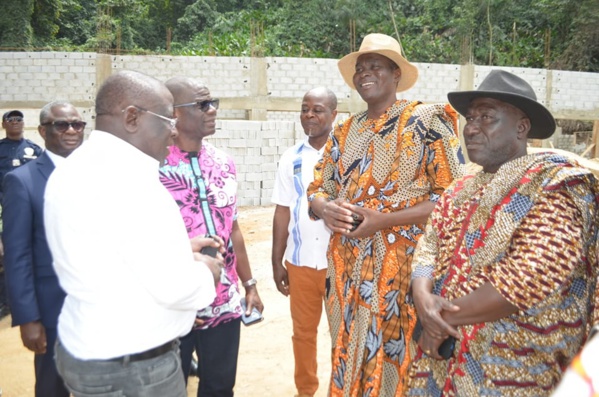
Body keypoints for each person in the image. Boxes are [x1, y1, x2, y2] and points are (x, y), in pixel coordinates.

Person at [407, 70, 599, 396]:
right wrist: (423, 298)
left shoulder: (557, 188)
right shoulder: (461, 185)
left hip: (513, 371)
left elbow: (526, 277)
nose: (471, 127)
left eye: (487, 117)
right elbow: (429, 246)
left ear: (521, 128)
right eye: (470, 118)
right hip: (444, 368)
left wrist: (436, 321)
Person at [44, 70, 221, 397]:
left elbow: (114, 253)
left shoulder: (78, 166)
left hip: (95, 353)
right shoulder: (128, 183)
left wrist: (178, 251)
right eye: (168, 119)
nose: (174, 129)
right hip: (135, 371)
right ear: (131, 117)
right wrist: (205, 271)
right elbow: (176, 288)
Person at [307, 33, 464, 396]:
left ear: (396, 74)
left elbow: (452, 199)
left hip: (403, 272)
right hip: (346, 272)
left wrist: (384, 221)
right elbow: (317, 188)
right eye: (359, 69)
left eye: (375, 66)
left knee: (402, 358)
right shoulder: (345, 131)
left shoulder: (427, 121)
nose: (364, 74)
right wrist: (325, 209)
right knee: (347, 351)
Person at [159, 76, 264, 397]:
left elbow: (232, 229)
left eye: (212, 103)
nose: (212, 110)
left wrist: (249, 285)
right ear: (174, 114)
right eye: (202, 105)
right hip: (171, 302)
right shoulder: (153, 168)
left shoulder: (223, 163)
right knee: (170, 388)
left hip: (223, 302)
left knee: (219, 387)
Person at [2, 101, 84, 397]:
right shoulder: (22, 181)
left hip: (97, 308)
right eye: (62, 124)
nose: (72, 130)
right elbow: (18, 255)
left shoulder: (97, 177)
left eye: (78, 124)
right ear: (42, 131)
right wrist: (27, 318)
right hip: (52, 313)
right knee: (53, 388)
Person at [271, 87, 337, 397]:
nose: (309, 114)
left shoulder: (347, 154)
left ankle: (342, 390)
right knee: (303, 334)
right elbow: (282, 211)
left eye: (318, 109)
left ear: (333, 115)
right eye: (305, 108)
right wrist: (277, 261)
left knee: (344, 335)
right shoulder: (290, 157)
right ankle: (306, 391)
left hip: (340, 266)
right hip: (300, 263)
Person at [0, 110, 43, 319]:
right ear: (4, 124)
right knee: (8, 256)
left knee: (33, 255)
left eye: (19, 119)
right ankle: (6, 302)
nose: (15, 122)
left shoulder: (34, 150)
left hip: (32, 212)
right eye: (11, 119)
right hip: (6, 211)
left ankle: (30, 298)